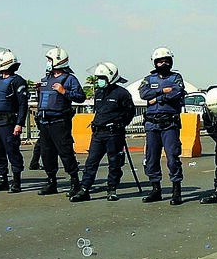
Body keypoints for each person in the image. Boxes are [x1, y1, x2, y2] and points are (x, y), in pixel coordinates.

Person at [70, 62, 136, 202]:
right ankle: (84, 189)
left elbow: (130, 112)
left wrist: (120, 124)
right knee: (91, 162)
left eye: (102, 78)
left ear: (110, 77)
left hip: (114, 133)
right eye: (98, 78)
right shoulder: (98, 93)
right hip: (98, 133)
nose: (99, 81)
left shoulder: (122, 94)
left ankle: (112, 189)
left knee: (115, 162)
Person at [35, 46, 85, 196]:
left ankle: (75, 182)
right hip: (44, 122)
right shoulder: (46, 79)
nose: (47, 63)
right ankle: (51, 182)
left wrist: (64, 91)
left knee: (65, 152)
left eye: (49, 60)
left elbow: (80, 97)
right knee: (47, 153)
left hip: (59, 122)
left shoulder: (69, 79)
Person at [139, 47, 186, 205]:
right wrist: (162, 91)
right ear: (155, 63)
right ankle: (155, 189)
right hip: (152, 124)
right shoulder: (149, 79)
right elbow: (144, 94)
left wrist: (157, 98)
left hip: (169, 124)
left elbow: (177, 92)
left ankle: (176, 190)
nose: (163, 63)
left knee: (173, 157)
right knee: (151, 158)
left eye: (166, 60)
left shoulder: (176, 77)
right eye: (160, 61)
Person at [0, 49, 29, 194]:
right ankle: (2, 180)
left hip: (9, 123)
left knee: (12, 151)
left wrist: (19, 123)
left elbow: (22, 104)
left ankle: (16, 181)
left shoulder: (17, 81)